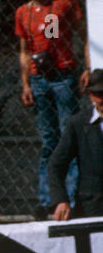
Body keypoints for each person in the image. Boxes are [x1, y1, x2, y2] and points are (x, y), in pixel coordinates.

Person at [14, 0, 90, 217]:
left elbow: (84, 34)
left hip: (64, 76)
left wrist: (87, 67)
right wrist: (25, 84)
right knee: (49, 140)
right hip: (39, 79)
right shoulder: (23, 13)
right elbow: (24, 51)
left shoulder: (63, 1)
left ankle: (71, 197)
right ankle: (49, 199)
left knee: (69, 135)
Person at [47, 70, 103, 220]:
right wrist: (60, 200)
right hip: (93, 207)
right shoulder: (77, 124)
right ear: (90, 95)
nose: (102, 99)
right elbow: (56, 164)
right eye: (99, 94)